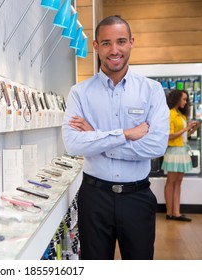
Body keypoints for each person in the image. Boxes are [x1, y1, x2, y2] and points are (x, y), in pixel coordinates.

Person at [62, 15, 170, 260]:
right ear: (96, 46)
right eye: (107, 43)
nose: (114, 50)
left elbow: (156, 145)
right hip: (94, 198)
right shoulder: (79, 93)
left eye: (121, 41)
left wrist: (97, 139)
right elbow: (73, 143)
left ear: (131, 42)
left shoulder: (151, 91)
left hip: (138, 198)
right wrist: (127, 134)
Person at [161, 89, 200, 222]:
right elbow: (169, 136)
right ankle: (169, 212)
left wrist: (193, 129)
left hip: (182, 150)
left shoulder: (180, 115)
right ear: (177, 99)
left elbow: (183, 136)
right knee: (171, 182)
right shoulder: (170, 114)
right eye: (183, 99)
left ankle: (176, 212)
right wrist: (186, 127)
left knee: (178, 182)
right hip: (173, 152)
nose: (185, 102)